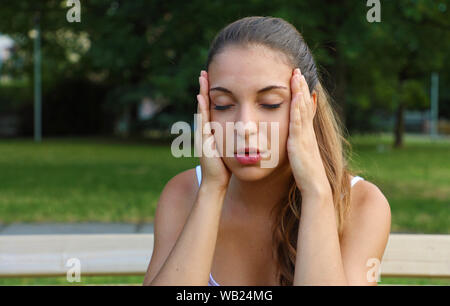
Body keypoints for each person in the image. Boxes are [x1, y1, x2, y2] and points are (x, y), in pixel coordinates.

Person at [143, 16, 391, 286]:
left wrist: (316, 193)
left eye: (270, 104)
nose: (244, 126)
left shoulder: (363, 205)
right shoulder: (183, 194)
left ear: (308, 106)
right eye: (223, 104)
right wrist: (212, 190)